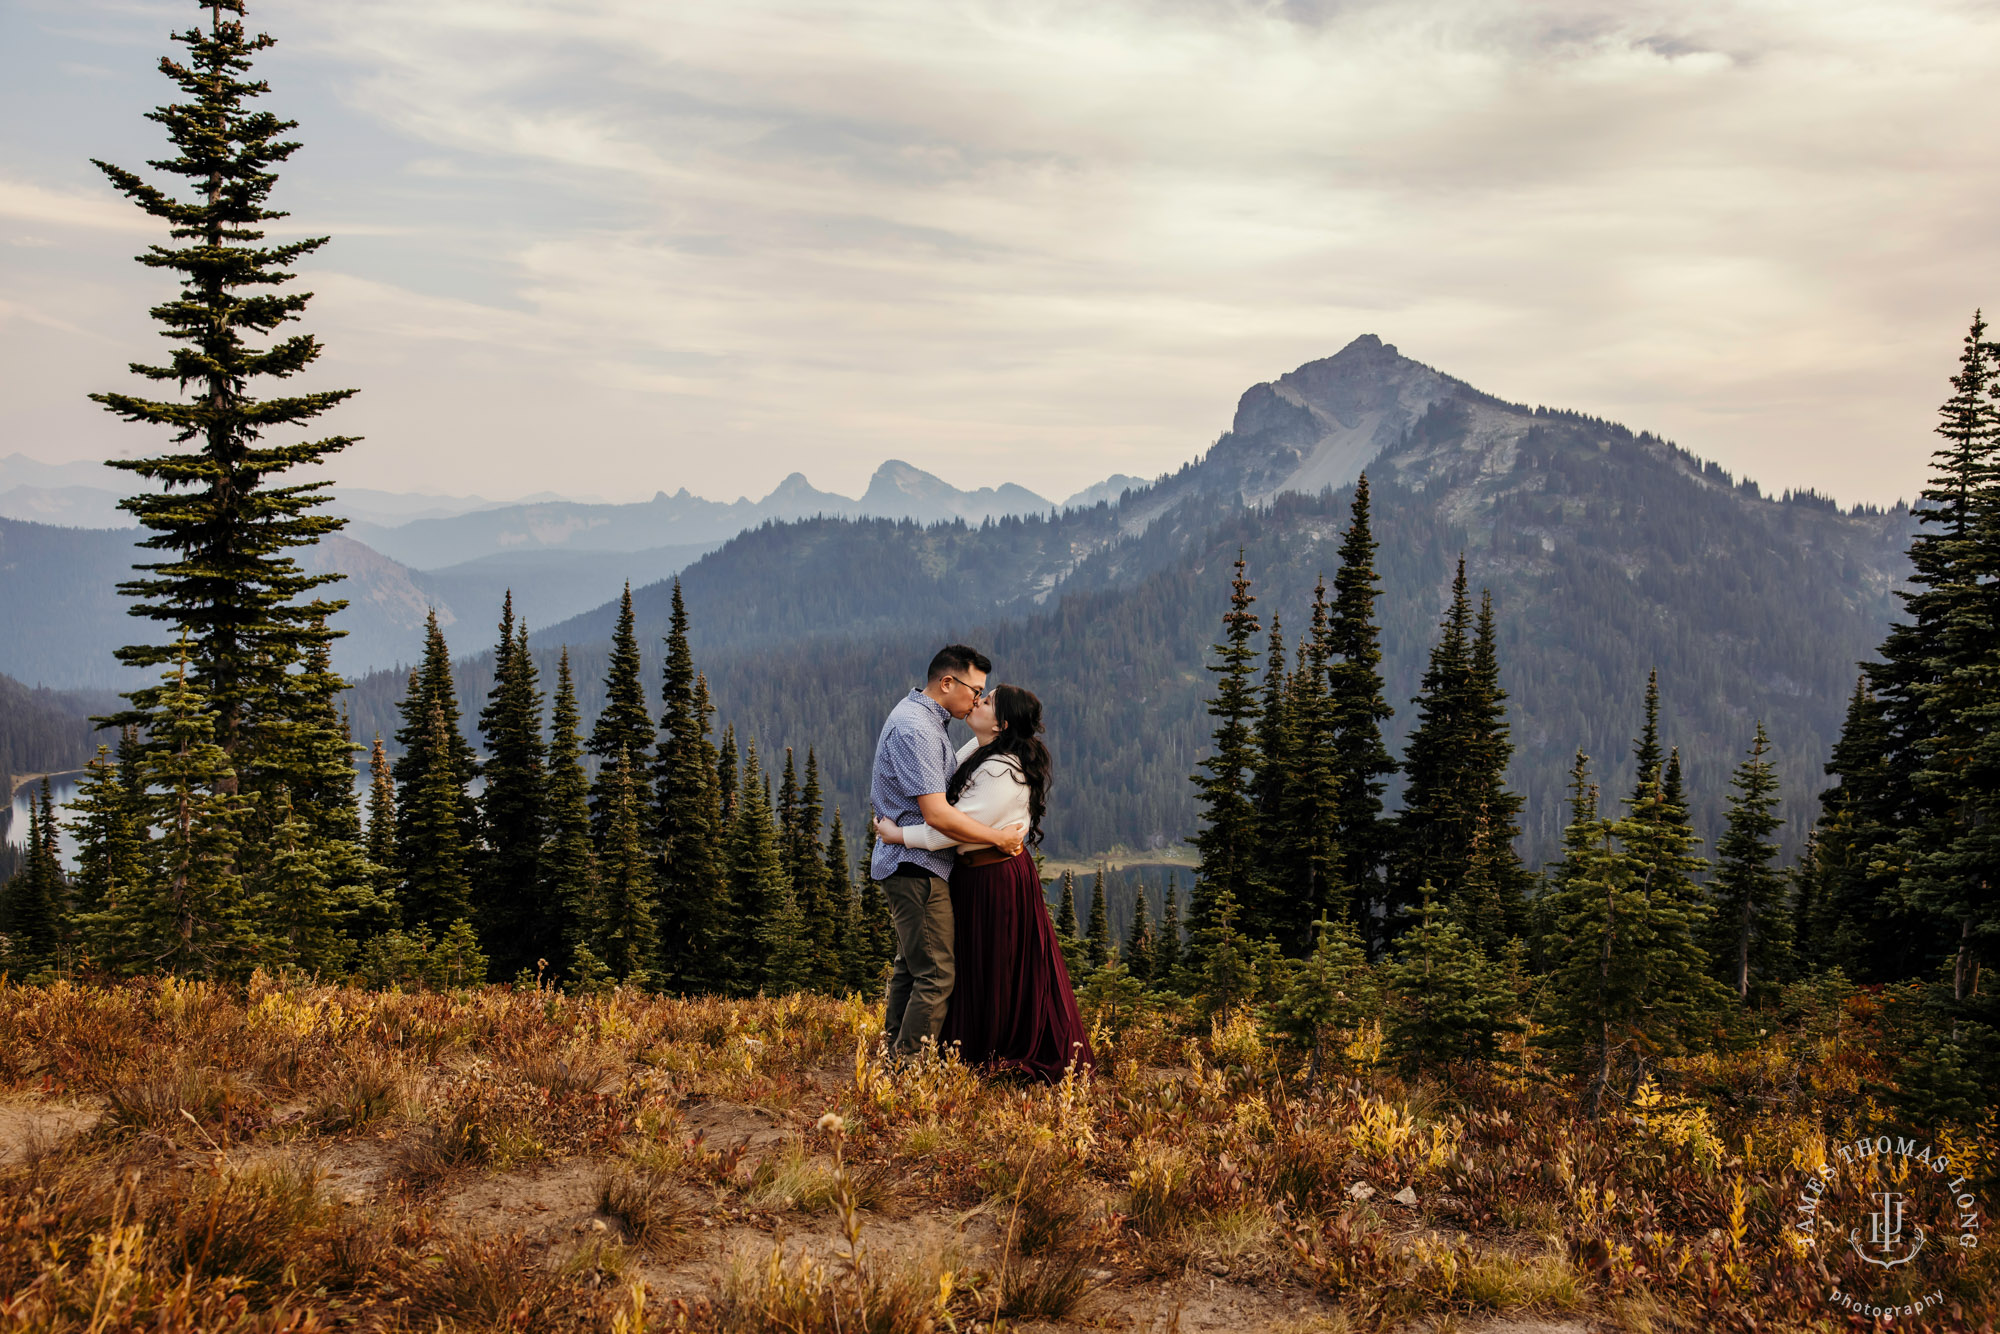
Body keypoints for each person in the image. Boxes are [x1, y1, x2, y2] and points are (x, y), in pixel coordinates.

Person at [876, 684, 1094, 1083]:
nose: (978, 700)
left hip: (992, 877)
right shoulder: (980, 753)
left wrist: (898, 836)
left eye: (988, 700)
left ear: (1002, 723)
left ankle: (989, 1050)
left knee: (991, 964)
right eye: (980, 693)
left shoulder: (999, 770)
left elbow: (951, 830)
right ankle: (962, 1049)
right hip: (981, 874)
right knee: (981, 963)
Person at [869, 645, 1025, 1058]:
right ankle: (907, 1071)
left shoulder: (924, 721)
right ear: (947, 683)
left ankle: (890, 1056)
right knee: (936, 975)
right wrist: (998, 839)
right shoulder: (917, 729)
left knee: (911, 967)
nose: (977, 699)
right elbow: (938, 815)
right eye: (975, 690)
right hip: (916, 867)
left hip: (913, 865)